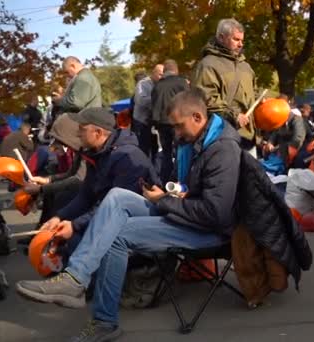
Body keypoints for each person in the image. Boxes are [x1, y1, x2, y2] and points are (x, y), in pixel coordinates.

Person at [15, 89, 240, 341]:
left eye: (178, 126)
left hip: (208, 230)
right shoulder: (191, 142)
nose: (175, 134)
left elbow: (215, 213)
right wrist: (172, 193)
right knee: (117, 197)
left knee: (115, 234)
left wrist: (164, 200)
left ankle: (102, 320)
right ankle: (75, 279)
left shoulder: (222, 149)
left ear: (198, 117)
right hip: (182, 213)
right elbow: (187, 189)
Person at [36, 107, 159, 258]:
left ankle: (84, 278)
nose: (78, 133)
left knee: (76, 237)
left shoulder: (127, 157)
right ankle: (78, 276)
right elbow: (86, 196)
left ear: (98, 133)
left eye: (82, 129)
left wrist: (75, 225)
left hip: (134, 222)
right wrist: (59, 217)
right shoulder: (97, 154)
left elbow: (116, 208)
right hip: (109, 214)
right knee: (70, 234)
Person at [193, 18, 257, 155]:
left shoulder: (246, 66)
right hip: (222, 136)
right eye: (236, 39)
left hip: (248, 138)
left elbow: (253, 93)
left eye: (242, 40)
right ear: (221, 38)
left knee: (251, 176)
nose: (241, 44)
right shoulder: (208, 65)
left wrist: (261, 103)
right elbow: (205, 99)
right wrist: (233, 116)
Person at [22, 114, 86, 225]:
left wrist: (42, 189)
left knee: (61, 196)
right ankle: (45, 228)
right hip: (82, 190)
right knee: (54, 195)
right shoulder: (79, 151)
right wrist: (48, 180)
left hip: (91, 196)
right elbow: (70, 173)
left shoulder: (85, 151)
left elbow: (77, 180)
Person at [151, 59, 189, 184]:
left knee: (166, 153)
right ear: (176, 70)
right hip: (179, 123)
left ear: (165, 71)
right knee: (181, 151)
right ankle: (180, 179)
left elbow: (154, 105)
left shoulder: (157, 85)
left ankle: (164, 180)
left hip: (162, 124)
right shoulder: (181, 83)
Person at [133, 64, 164, 157]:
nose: (162, 77)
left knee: (155, 150)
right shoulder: (143, 84)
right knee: (144, 149)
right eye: (160, 74)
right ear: (153, 73)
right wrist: (157, 101)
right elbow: (141, 101)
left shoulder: (161, 84)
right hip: (142, 122)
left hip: (154, 122)